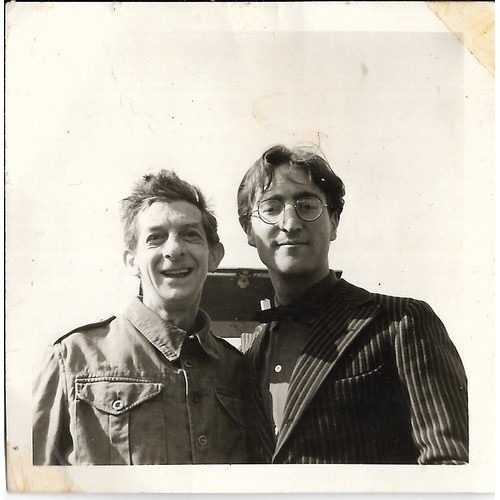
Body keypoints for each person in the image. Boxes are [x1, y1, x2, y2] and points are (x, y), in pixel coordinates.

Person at [237, 144, 468, 464]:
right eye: (271, 207)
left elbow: (448, 464)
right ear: (250, 231)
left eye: (307, 205)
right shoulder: (249, 352)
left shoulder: (400, 322)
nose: (290, 223)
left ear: (333, 222)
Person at [33, 169, 247, 465]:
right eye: (156, 238)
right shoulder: (72, 358)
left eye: (190, 234)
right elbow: (30, 484)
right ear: (131, 260)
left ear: (214, 256)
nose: (174, 250)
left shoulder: (238, 369)